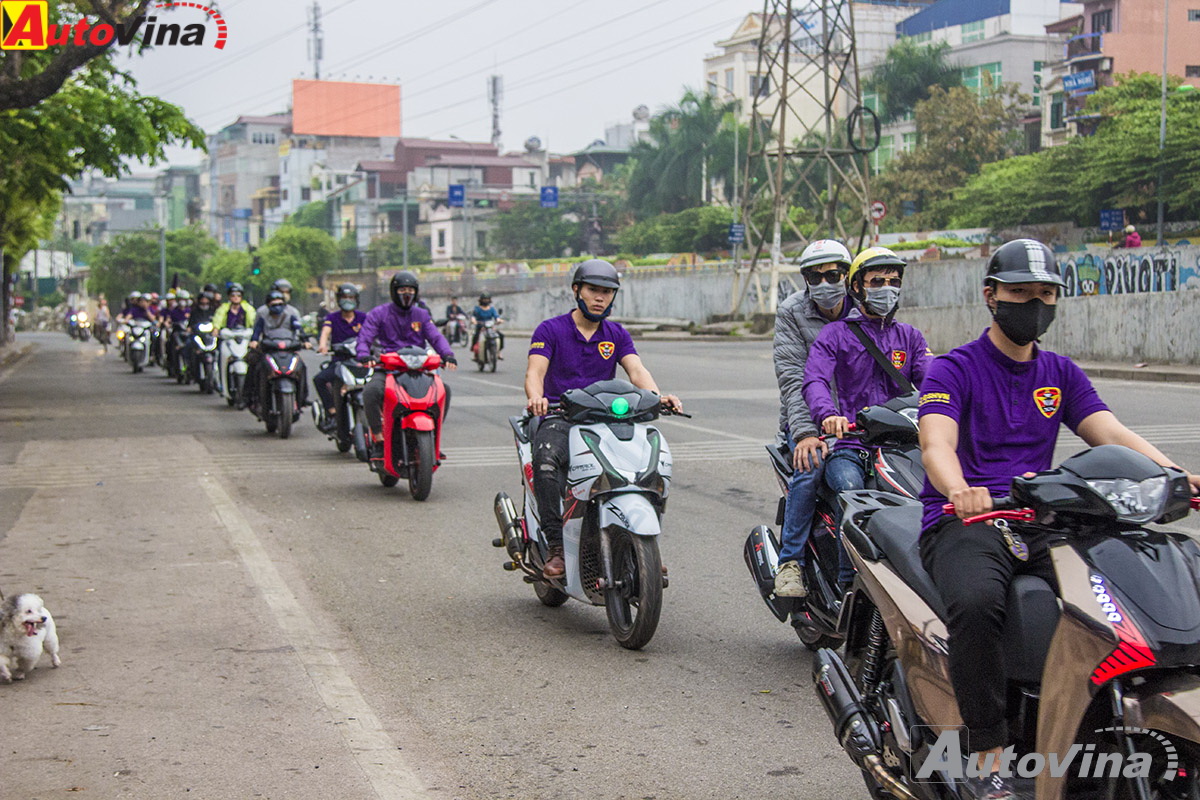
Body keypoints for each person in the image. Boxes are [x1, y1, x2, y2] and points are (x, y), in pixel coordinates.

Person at [917, 239, 1200, 800]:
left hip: (1045, 520)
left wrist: (1177, 474)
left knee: (1119, 602)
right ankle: (987, 747)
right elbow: (935, 443)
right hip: (967, 519)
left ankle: (1086, 735)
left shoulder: (1060, 374)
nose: (1034, 304)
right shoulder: (954, 369)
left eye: (1045, 294)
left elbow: (1111, 433)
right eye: (1021, 292)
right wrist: (960, 489)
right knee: (976, 604)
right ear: (991, 297)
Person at [524, 259, 682, 578]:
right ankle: (556, 546)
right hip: (560, 416)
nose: (600, 297)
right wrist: (536, 398)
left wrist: (657, 395)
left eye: (607, 292)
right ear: (577, 291)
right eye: (593, 290)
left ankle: (642, 541)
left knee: (645, 466)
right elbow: (535, 371)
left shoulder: (616, 334)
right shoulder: (550, 329)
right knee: (546, 464)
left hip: (605, 419)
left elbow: (637, 370)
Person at [801, 247, 933, 589]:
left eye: (892, 281)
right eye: (877, 281)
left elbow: (935, 383)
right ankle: (850, 587)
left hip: (903, 446)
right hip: (851, 445)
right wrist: (828, 415)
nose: (886, 288)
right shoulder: (835, 335)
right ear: (857, 287)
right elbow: (814, 379)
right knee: (852, 492)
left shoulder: (911, 337)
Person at [771, 240, 855, 599]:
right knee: (810, 467)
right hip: (808, 418)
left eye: (832, 274)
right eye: (814, 276)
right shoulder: (792, 312)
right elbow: (792, 378)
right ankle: (790, 563)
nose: (824, 282)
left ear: (848, 276)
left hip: (858, 422)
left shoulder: (864, 309)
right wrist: (805, 432)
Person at [356, 272, 457, 469]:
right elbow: (365, 338)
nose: (406, 294)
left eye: (410, 290)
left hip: (418, 370)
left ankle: (432, 439)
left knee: (444, 390)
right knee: (371, 392)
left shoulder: (421, 315)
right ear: (394, 292)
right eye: (402, 290)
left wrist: (447, 355)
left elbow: (435, 337)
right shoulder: (379, 313)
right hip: (387, 369)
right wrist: (364, 355)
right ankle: (378, 438)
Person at [245, 290, 310, 411]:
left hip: (289, 349)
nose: (277, 307)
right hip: (269, 350)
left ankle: (303, 398)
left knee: (302, 367)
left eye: (280, 304)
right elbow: (257, 332)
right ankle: (251, 397)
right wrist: (254, 341)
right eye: (274, 304)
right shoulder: (263, 317)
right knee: (256, 367)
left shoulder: (291, 316)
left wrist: (306, 341)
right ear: (268, 306)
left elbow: (299, 329)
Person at [313, 283, 365, 433]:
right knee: (319, 379)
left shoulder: (363, 317)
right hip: (339, 363)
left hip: (361, 362)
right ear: (338, 300)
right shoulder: (332, 318)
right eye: (344, 297)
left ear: (356, 300)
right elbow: (325, 332)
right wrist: (323, 345)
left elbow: (374, 333)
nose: (347, 300)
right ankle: (332, 412)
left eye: (351, 297)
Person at [471, 293, 505, 359]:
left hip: (490, 327)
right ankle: (475, 354)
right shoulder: (477, 308)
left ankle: (498, 352)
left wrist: (499, 320)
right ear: (481, 300)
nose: (486, 301)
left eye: (487, 299)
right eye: (484, 299)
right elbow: (473, 316)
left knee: (501, 336)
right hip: (480, 327)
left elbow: (496, 316)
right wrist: (473, 321)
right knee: (475, 337)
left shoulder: (492, 309)